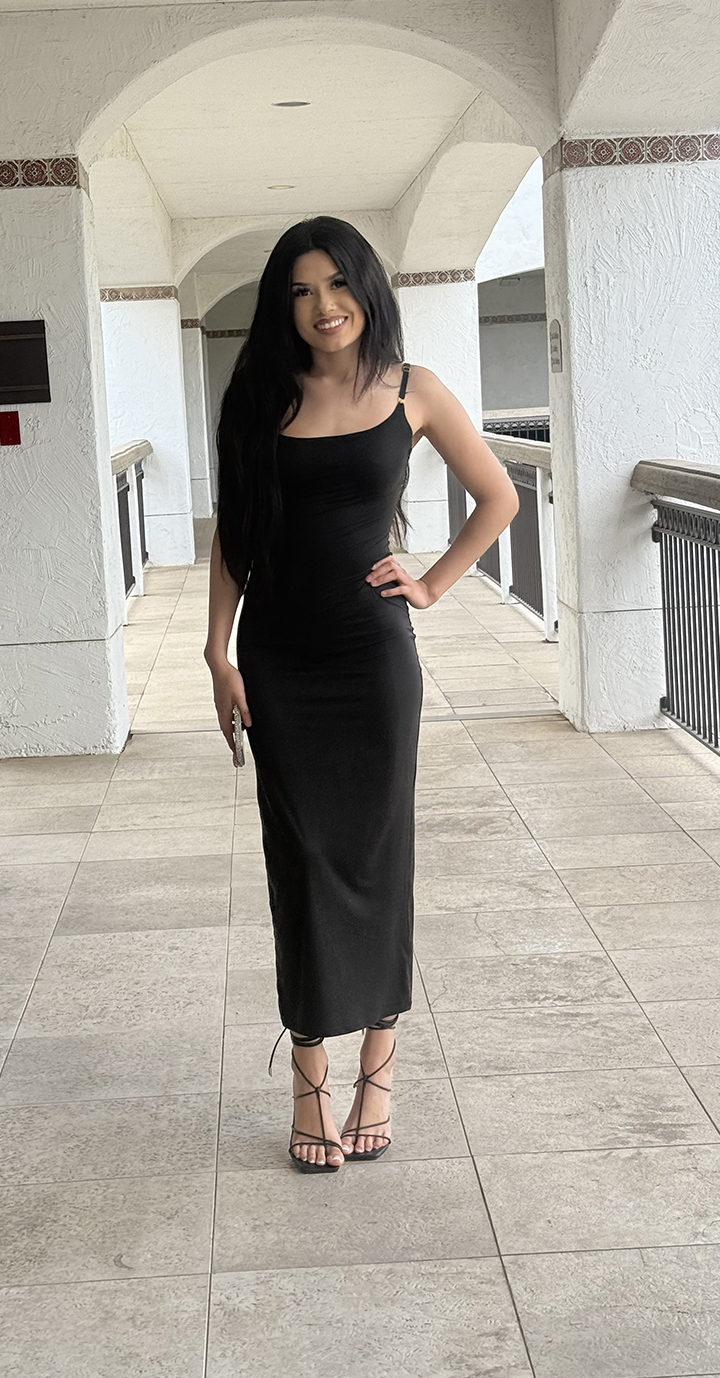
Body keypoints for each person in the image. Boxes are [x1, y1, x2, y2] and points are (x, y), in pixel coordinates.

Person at [204, 216, 519, 1174]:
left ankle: (377, 1071)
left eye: (337, 284)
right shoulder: (258, 397)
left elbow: (498, 497)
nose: (323, 306)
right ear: (283, 305)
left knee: (380, 855)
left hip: (373, 663)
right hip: (280, 660)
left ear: (366, 288)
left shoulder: (414, 389)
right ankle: (309, 1083)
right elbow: (234, 532)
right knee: (299, 861)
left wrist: (430, 583)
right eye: (301, 291)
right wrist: (218, 653)